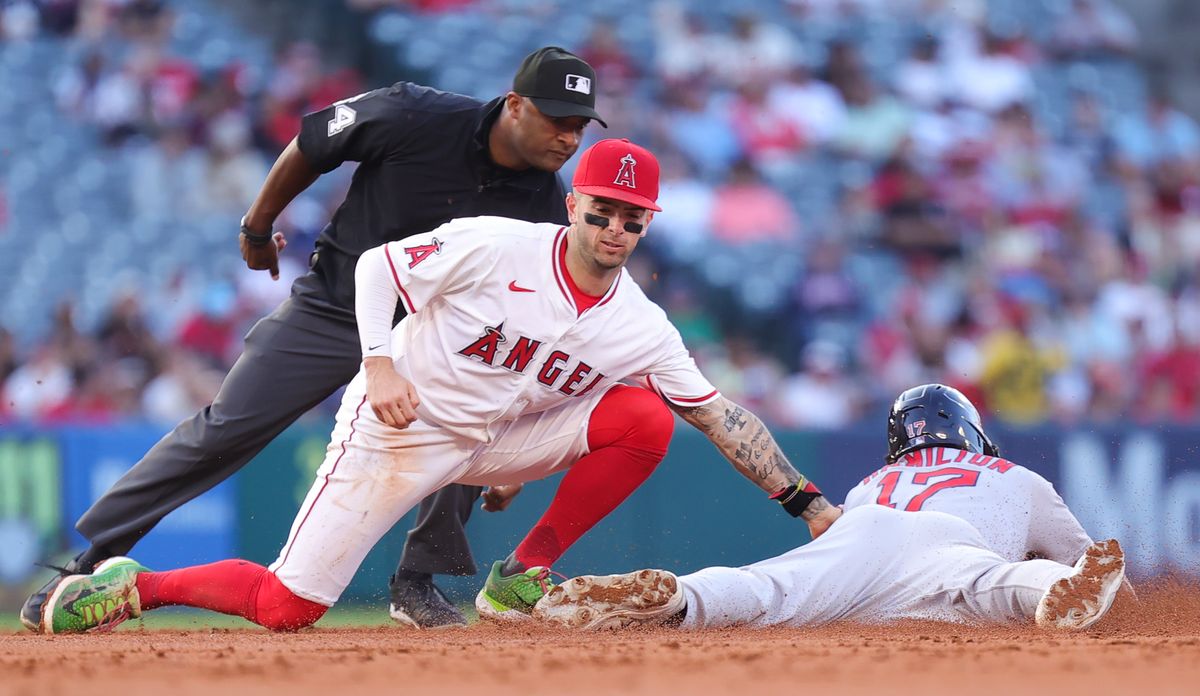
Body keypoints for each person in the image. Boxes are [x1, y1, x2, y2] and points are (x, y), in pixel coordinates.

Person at [37, 139, 841, 634]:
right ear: (575, 204)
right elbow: (379, 269)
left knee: (646, 417)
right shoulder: (498, 246)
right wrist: (378, 362)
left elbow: (719, 413)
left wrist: (806, 504)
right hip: (399, 425)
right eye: (603, 211)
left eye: (633, 219)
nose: (615, 231)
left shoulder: (642, 323)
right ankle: (134, 585)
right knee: (289, 608)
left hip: (496, 440)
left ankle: (522, 573)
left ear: (649, 223)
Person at [20, 46, 608, 632]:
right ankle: (89, 561)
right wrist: (257, 224)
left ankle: (418, 582)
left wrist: (507, 437)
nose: (569, 137)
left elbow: (528, 322)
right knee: (228, 425)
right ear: (514, 105)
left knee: (463, 426)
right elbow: (313, 145)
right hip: (335, 307)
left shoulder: (546, 206)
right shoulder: (413, 114)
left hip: (431, 338)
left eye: (579, 125)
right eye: (558, 119)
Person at [533, 384, 1127, 632]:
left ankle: (681, 597)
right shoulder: (1015, 476)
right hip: (952, 545)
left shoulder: (874, 480)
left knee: (771, 589)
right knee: (1002, 582)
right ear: (973, 434)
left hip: (858, 527)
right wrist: (1090, 582)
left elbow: (830, 569)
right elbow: (1111, 590)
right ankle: (1054, 593)